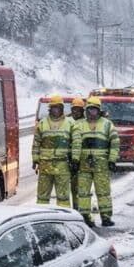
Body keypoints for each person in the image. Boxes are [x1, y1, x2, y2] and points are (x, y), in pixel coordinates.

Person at [71, 96, 120, 227]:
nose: (92, 113)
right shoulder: (79, 124)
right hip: (84, 164)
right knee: (83, 193)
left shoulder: (107, 124)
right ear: (86, 110)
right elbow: (76, 144)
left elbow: (114, 143)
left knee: (103, 192)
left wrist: (112, 160)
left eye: (94, 110)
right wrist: (75, 161)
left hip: (101, 165)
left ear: (98, 111)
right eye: (90, 110)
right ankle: (85, 217)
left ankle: (106, 217)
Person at [32, 95, 73, 207]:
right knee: (42, 197)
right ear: (50, 109)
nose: (56, 110)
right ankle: (42, 217)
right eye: (53, 108)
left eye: (58, 107)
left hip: (62, 165)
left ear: (62, 108)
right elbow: (36, 143)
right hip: (45, 165)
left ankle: (63, 218)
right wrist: (35, 159)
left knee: (63, 197)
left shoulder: (70, 123)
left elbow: (75, 143)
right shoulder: (42, 123)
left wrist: (74, 159)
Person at [67, 98, 85, 209]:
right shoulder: (67, 120)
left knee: (78, 187)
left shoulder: (86, 122)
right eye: (74, 109)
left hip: (81, 158)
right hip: (67, 157)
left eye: (78, 110)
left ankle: (78, 208)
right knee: (64, 186)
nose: (76, 112)